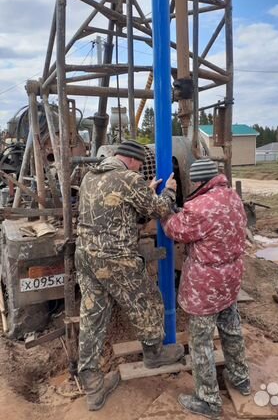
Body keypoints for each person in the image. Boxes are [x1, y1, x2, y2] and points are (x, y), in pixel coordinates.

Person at [76, 139, 184, 411]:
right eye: (140, 164)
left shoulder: (91, 176)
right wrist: (169, 192)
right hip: (115, 258)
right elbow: (161, 210)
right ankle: (154, 353)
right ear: (135, 160)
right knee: (147, 299)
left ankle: (92, 385)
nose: (140, 169)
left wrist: (141, 194)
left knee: (92, 316)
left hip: (86, 257)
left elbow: (116, 213)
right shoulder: (128, 178)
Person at [162, 158, 250, 420]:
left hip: (205, 286)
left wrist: (166, 204)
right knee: (232, 330)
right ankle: (240, 378)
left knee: (200, 342)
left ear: (199, 182)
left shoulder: (200, 207)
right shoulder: (232, 197)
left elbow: (173, 230)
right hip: (230, 279)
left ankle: (209, 400)